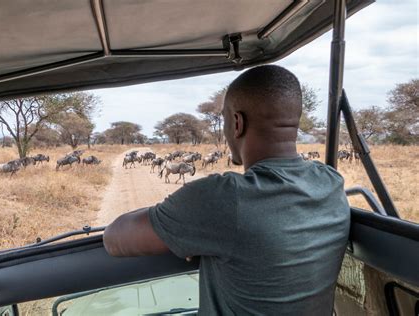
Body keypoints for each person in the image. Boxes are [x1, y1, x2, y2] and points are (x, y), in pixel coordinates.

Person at [103, 65, 350, 315]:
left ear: (236, 122)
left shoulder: (224, 198)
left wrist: (185, 220)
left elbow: (114, 238)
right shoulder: (330, 182)